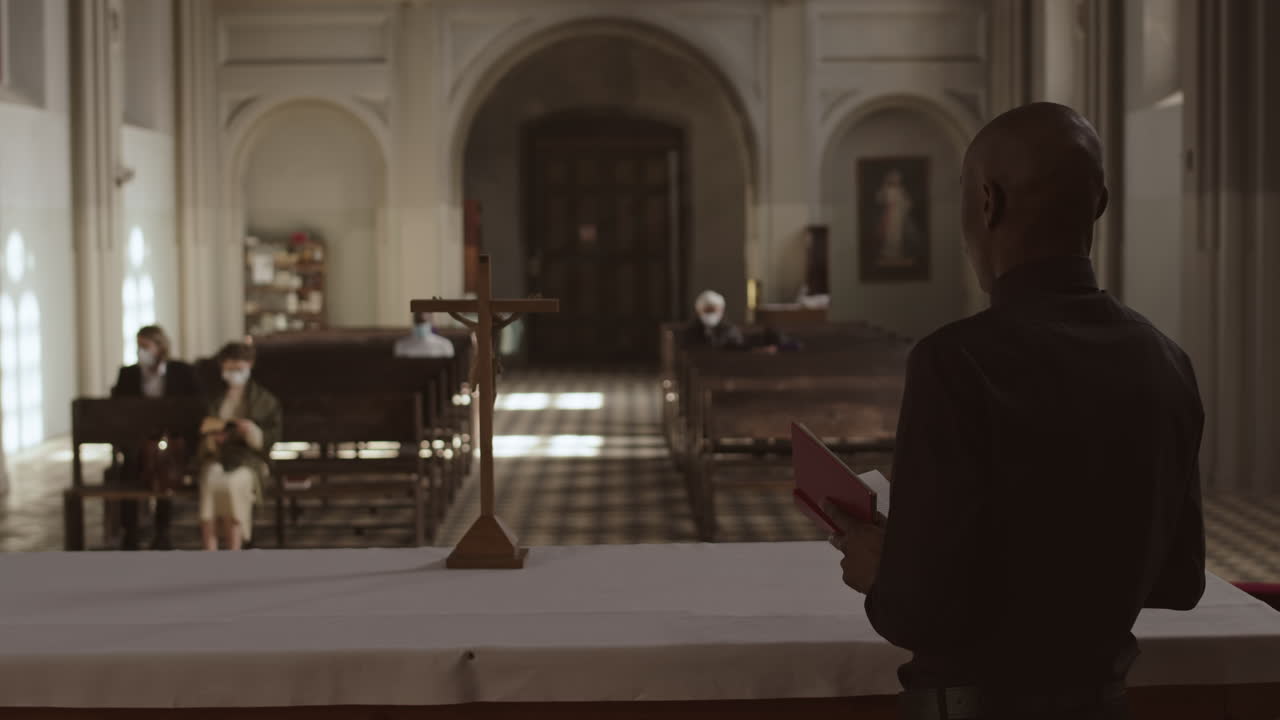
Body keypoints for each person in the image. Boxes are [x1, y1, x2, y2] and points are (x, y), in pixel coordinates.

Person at [824, 102, 1205, 720]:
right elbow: (1179, 581)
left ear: (987, 204)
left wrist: (884, 570)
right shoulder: (1167, 360)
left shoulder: (956, 362)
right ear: (1100, 205)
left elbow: (918, 613)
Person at [110, 325, 202, 550]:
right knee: (129, 469)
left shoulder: (181, 371)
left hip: (171, 439)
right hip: (139, 441)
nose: (140, 352)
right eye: (138, 347)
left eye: (145, 346)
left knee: (165, 467)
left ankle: (162, 531)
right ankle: (130, 531)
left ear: (160, 347)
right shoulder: (129, 374)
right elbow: (117, 410)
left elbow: (194, 406)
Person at [196, 342, 281, 551]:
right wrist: (213, 439)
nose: (234, 373)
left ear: (249, 365)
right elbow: (202, 430)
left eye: (238, 369)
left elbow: (271, 436)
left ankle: (234, 550)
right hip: (219, 456)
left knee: (233, 484)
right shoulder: (216, 398)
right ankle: (210, 551)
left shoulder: (264, 399)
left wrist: (251, 431)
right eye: (229, 369)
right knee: (211, 480)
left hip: (249, 460)